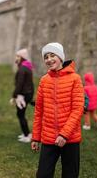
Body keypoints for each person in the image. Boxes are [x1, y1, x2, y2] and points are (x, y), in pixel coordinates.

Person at [31, 42, 84, 178]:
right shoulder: (44, 81)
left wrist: (64, 134)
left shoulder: (75, 79)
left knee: (70, 175)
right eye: (46, 57)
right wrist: (36, 137)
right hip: (48, 138)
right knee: (43, 175)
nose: (49, 60)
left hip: (70, 138)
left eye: (52, 55)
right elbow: (39, 111)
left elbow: (77, 109)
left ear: (60, 57)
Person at [10, 48, 34, 143]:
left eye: (18, 56)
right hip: (27, 94)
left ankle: (27, 135)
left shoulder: (22, 69)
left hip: (23, 95)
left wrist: (14, 96)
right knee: (21, 114)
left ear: (22, 57)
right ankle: (26, 133)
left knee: (20, 114)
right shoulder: (26, 67)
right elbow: (30, 83)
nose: (16, 58)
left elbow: (19, 84)